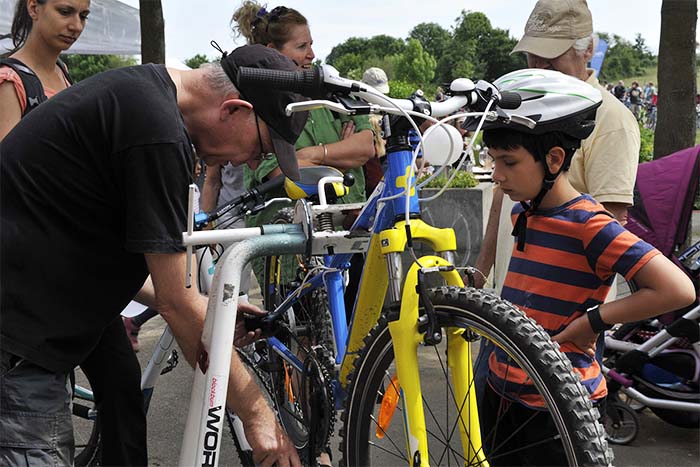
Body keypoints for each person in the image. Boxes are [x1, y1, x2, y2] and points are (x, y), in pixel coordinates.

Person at [1, 43, 306, 467]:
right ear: (234, 108)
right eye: (261, 148)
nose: (253, 161)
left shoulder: (150, 96)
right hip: (17, 345)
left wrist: (211, 312)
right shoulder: (157, 130)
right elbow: (175, 301)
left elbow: (158, 278)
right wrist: (258, 415)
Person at [467, 70, 696, 466]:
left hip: (558, 404)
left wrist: (594, 321)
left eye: (509, 161)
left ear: (554, 159)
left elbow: (677, 289)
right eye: (493, 160)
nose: (497, 175)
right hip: (504, 390)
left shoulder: (591, 225)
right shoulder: (524, 212)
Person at [0, 1, 153, 465]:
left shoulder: (65, 77)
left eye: (84, 15)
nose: (76, 25)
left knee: (123, 383)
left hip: (74, 273)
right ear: (34, 6)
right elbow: (10, 186)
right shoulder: (11, 81)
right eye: (66, 10)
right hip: (31, 279)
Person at [472, 0, 641, 406]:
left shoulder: (611, 121)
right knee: (487, 424)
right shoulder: (527, 106)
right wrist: (479, 278)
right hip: (506, 307)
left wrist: (591, 323)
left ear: (587, 50)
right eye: (531, 56)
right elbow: (500, 198)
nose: (539, 70)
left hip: (560, 327)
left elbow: (609, 223)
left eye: (551, 59)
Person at [231, 1, 375, 315]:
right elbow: (278, 174)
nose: (311, 54)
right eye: (301, 46)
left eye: (311, 44)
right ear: (272, 51)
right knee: (307, 342)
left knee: (358, 335)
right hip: (291, 247)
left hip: (348, 232)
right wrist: (340, 155)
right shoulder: (256, 105)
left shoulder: (331, 91)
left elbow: (366, 146)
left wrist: (308, 155)